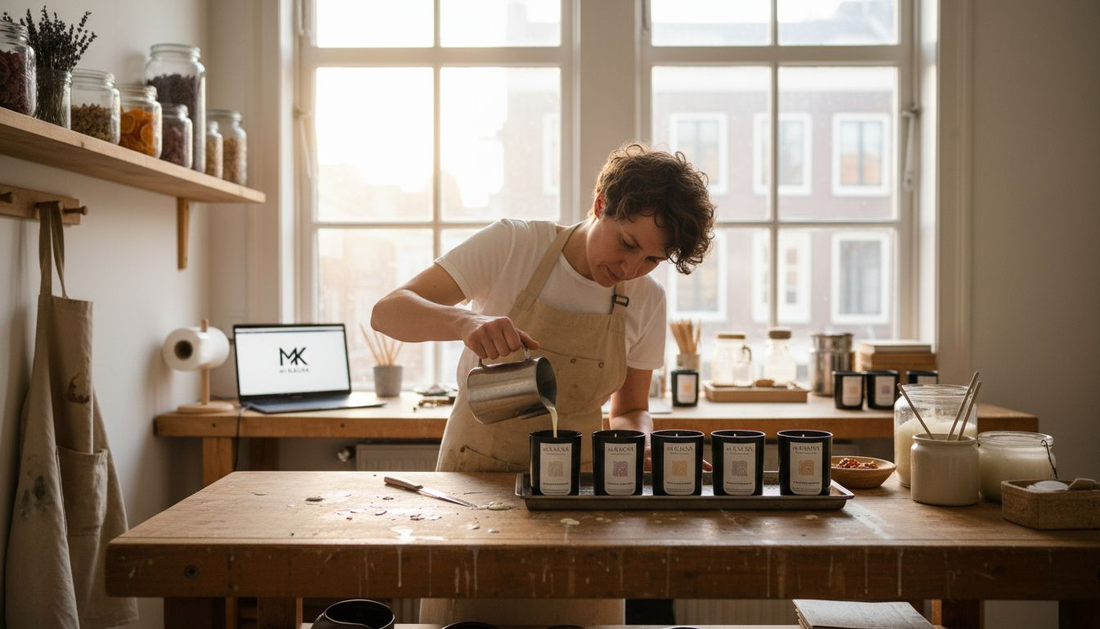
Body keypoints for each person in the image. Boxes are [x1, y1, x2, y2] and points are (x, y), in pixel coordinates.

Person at [370, 142, 715, 624]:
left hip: (581, 498)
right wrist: (465, 324)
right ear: (600, 204)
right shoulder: (513, 245)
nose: (631, 269)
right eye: (628, 244)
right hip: (474, 487)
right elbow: (387, 312)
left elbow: (630, 407)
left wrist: (641, 441)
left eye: (652, 260)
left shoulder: (647, 300)